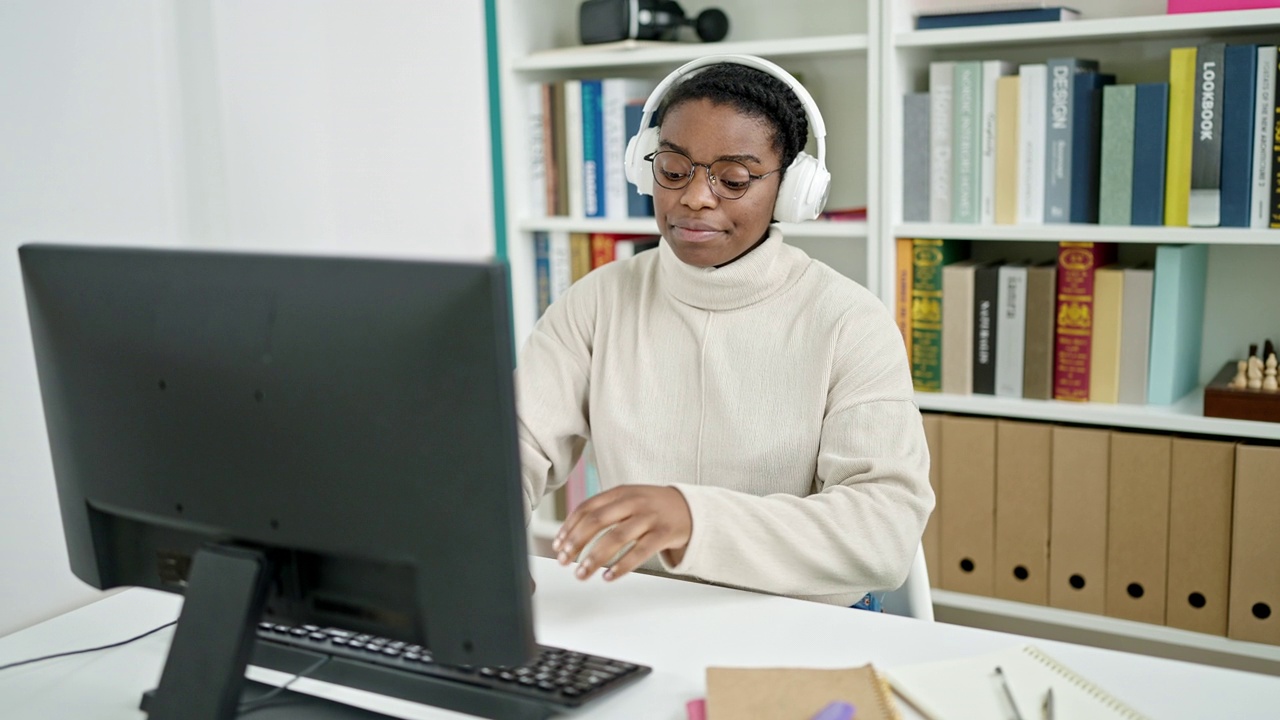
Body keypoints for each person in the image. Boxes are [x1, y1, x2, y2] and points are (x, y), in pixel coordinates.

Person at [515, 55, 933, 608]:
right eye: (672, 170)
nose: (695, 197)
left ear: (791, 191)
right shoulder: (597, 301)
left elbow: (883, 533)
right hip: (640, 613)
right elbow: (510, 451)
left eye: (733, 179)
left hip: (804, 622)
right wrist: (477, 547)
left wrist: (693, 518)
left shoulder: (849, 321)